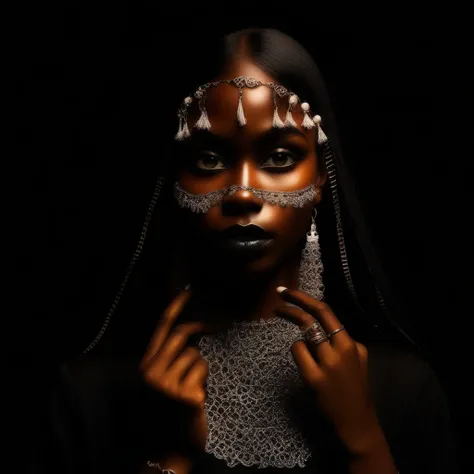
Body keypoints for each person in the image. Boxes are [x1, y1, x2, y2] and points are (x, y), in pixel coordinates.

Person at [33, 28, 458, 474]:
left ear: (319, 181)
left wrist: (364, 442)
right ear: (177, 184)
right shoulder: (88, 395)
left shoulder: (405, 393)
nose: (242, 192)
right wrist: (169, 457)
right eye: (208, 160)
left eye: (279, 158)